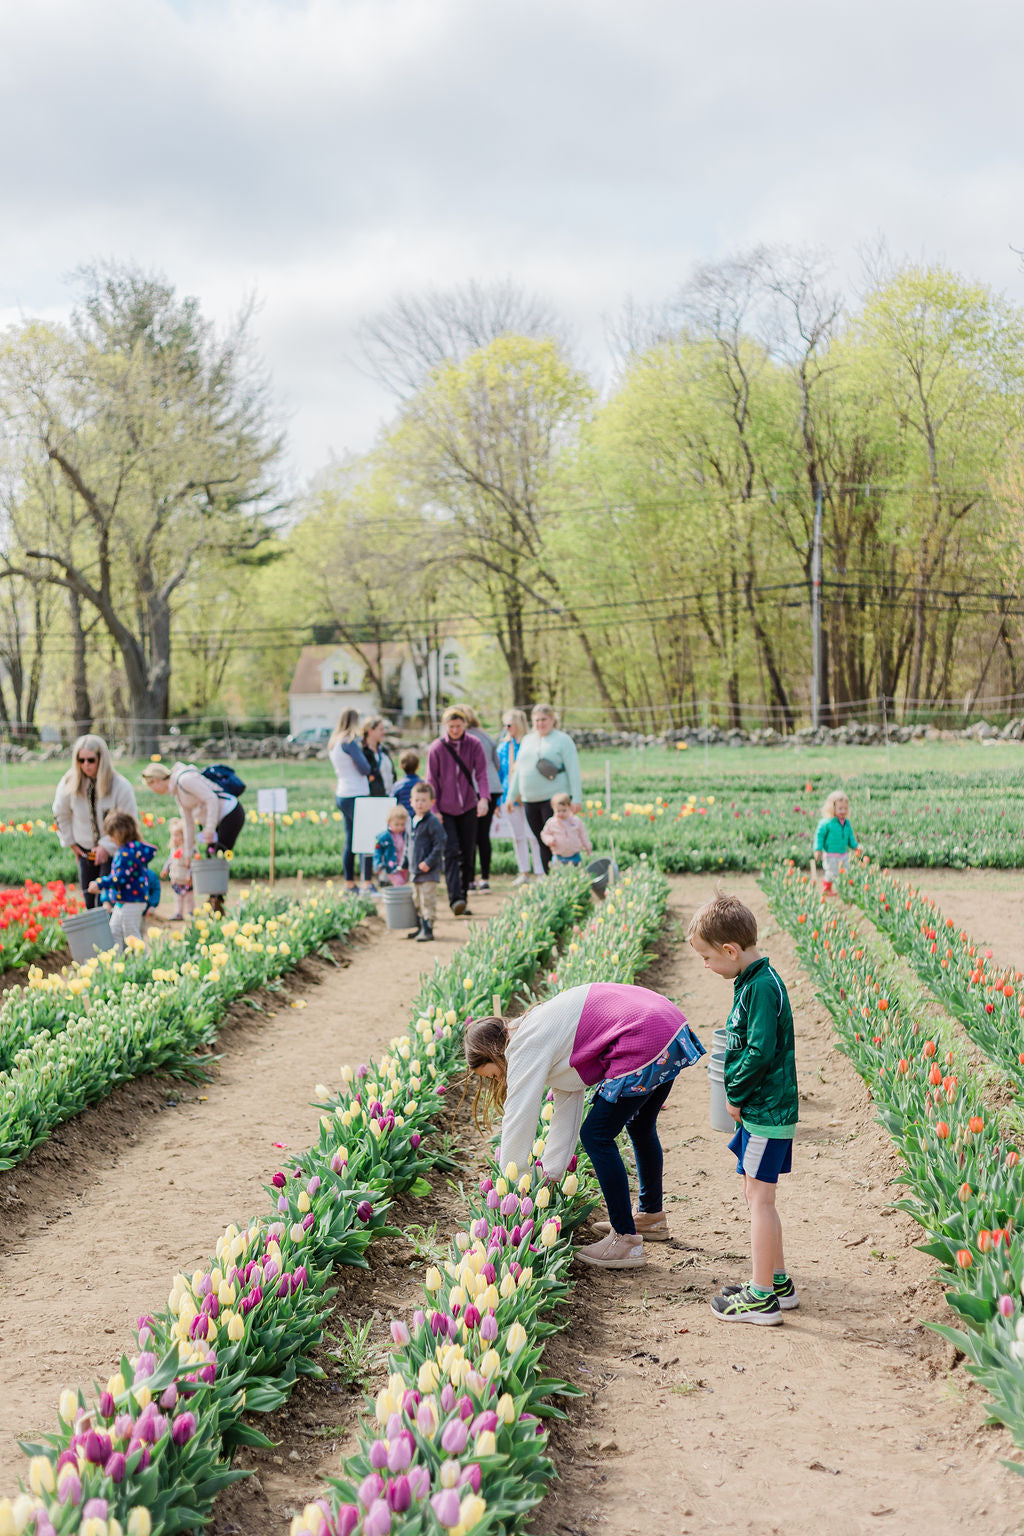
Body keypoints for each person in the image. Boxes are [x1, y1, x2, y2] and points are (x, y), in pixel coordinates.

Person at [465, 982, 705, 1269]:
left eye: (491, 1075)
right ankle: (651, 1217)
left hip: (643, 1035)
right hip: (666, 1026)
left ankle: (625, 1241)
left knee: (596, 1135)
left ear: (493, 1053)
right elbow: (568, 1101)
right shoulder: (540, 1030)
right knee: (640, 1125)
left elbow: (519, 1114)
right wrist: (551, 1174)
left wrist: (513, 1180)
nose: (496, 1080)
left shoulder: (523, 1046)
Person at [687, 893, 799, 1325]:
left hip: (765, 1111)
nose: (705, 966)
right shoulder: (753, 981)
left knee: (759, 1199)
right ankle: (778, 1281)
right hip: (763, 1109)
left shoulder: (762, 987)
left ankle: (762, 1297)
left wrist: (733, 1092)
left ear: (731, 950)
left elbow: (759, 1051)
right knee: (758, 1196)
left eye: (707, 957)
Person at [140, 761, 245, 914]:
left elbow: (211, 799)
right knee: (211, 856)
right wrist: (187, 854)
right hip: (216, 820)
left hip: (230, 813)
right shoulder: (178, 793)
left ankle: (216, 903)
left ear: (156, 780)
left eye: (151, 786)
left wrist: (209, 829)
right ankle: (215, 902)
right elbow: (188, 823)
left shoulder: (185, 780)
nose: (153, 790)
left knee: (218, 855)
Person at [53, 735, 139, 909]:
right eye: (81, 760)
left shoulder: (120, 786)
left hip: (114, 851)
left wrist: (106, 846)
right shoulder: (69, 782)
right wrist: (71, 842)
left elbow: (129, 821)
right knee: (89, 900)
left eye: (91, 760)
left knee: (107, 901)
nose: (86, 765)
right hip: (84, 850)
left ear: (101, 758)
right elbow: (60, 813)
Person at [426, 706, 489, 916]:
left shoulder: (474, 744)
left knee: (468, 853)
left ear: (465, 725)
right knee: (451, 852)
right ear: (445, 726)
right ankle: (456, 899)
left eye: (459, 726)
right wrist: (434, 808)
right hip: (445, 808)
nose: (455, 730)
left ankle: (463, 896)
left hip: (469, 806)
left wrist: (484, 798)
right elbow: (431, 780)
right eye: (451, 726)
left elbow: (481, 773)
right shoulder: (437, 748)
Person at [506, 704, 582, 875]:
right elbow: (519, 770)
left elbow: (573, 770)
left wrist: (576, 798)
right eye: (537, 720)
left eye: (544, 719)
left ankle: (563, 875)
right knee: (542, 840)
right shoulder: (527, 740)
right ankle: (549, 877)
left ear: (552, 720)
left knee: (557, 840)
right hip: (530, 799)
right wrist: (511, 795)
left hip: (553, 799)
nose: (540, 723)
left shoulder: (563, 740)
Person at [88, 810, 158, 951]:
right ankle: (117, 961)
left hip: (132, 901)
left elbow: (120, 878)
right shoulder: (130, 849)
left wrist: (100, 883)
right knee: (114, 932)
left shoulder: (127, 853)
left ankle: (143, 960)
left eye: (111, 835)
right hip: (123, 901)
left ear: (119, 833)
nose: (110, 839)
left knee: (131, 935)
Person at [496, 709, 544, 885]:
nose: (507, 728)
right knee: (518, 836)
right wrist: (498, 800)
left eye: (510, 724)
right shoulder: (503, 747)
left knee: (534, 835)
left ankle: (540, 871)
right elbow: (500, 774)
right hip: (509, 797)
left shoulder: (530, 744)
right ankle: (524, 871)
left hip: (529, 795)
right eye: (505, 725)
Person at [328, 708, 372, 892]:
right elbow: (365, 768)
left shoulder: (334, 743)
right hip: (356, 793)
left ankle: (349, 882)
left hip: (342, 792)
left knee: (350, 840)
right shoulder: (349, 741)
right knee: (365, 839)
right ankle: (366, 882)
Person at [462, 706, 502, 892]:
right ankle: (485, 878)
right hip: (492, 788)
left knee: (469, 836)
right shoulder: (486, 736)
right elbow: (497, 764)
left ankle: (469, 880)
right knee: (483, 836)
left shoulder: (463, 738)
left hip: (473, 789)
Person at [358, 715, 396, 895]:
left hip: (387, 797)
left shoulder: (384, 750)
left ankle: (384, 875)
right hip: (371, 799)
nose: (384, 732)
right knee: (369, 841)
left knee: (386, 838)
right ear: (370, 730)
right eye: (381, 729)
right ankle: (367, 879)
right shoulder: (363, 751)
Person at [406, 781, 445, 942]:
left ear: (431, 802)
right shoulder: (411, 821)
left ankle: (428, 929)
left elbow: (440, 844)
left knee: (427, 900)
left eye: (424, 800)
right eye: (417, 800)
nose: (420, 803)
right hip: (415, 870)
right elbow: (408, 845)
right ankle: (421, 926)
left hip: (429, 870)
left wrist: (429, 862)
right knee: (416, 900)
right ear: (411, 802)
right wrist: (404, 863)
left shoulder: (432, 822)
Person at [814, 789, 859, 896]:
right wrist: (818, 849)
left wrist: (855, 847)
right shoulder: (826, 823)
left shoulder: (846, 823)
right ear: (832, 808)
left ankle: (846, 889)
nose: (843, 811)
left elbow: (850, 837)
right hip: (830, 854)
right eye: (840, 809)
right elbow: (819, 837)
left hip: (844, 854)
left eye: (845, 808)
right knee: (831, 872)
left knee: (847, 871)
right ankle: (826, 889)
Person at [541, 792, 593, 867]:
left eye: (564, 810)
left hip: (575, 855)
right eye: (558, 811)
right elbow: (544, 834)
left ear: (569, 807)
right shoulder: (551, 823)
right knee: (559, 871)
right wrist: (549, 840)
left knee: (576, 871)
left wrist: (588, 847)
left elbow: (583, 835)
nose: (561, 813)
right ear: (553, 809)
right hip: (559, 856)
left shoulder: (575, 821)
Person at [161, 816, 193, 920]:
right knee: (177, 897)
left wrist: (190, 875)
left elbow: (192, 864)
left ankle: (191, 913)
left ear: (184, 835)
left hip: (186, 878)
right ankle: (178, 913)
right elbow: (170, 861)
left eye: (177, 835)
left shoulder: (188, 849)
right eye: (173, 835)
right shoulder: (173, 849)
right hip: (176, 877)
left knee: (189, 897)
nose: (174, 838)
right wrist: (165, 869)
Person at [374, 806, 410, 886]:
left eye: (402, 824)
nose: (400, 827)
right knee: (399, 882)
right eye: (397, 824)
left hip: (402, 865)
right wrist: (378, 864)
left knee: (403, 881)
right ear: (389, 822)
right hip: (391, 865)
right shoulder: (383, 837)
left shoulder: (406, 835)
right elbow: (377, 852)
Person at [393, 750, 424, 816]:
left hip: (402, 817)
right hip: (419, 816)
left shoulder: (397, 786)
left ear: (400, 766)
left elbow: (392, 802)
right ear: (418, 767)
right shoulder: (423, 785)